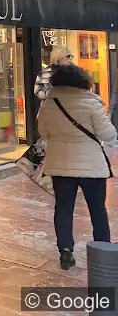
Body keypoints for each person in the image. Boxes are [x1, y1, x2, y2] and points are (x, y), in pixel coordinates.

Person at [38, 64, 116, 270]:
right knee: (97, 209)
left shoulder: (48, 104)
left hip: (60, 166)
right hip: (91, 166)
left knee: (63, 208)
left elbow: (43, 133)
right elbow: (108, 134)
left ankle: (65, 250)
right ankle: (102, 250)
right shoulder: (91, 104)